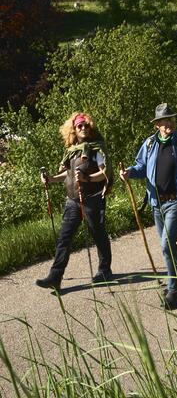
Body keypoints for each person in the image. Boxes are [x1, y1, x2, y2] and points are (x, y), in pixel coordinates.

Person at [119, 102, 177, 309]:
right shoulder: (150, 144)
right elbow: (141, 167)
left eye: (171, 119)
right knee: (170, 246)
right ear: (157, 124)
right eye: (164, 120)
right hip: (156, 203)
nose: (168, 123)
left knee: (166, 245)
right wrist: (129, 173)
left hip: (175, 202)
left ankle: (174, 290)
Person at [36, 112, 113, 291]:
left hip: (93, 200)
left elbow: (104, 174)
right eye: (80, 126)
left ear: (90, 127)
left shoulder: (96, 149)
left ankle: (104, 270)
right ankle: (55, 277)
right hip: (73, 201)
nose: (84, 128)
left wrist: (86, 178)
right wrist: (50, 178)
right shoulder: (71, 151)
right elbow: (67, 175)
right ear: (74, 130)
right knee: (64, 238)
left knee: (98, 235)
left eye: (86, 125)